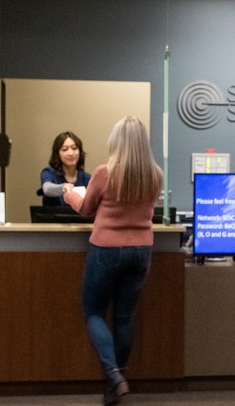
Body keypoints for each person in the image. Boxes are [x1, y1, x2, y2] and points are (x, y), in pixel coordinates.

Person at [63, 117, 163, 405]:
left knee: (93, 311)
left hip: (107, 248)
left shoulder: (105, 172)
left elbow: (85, 209)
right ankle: (114, 384)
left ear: (116, 141)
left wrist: (70, 195)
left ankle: (114, 375)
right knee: (124, 316)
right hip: (142, 251)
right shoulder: (155, 175)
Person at [38, 131, 92, 207]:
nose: (71, 153)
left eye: (74, 148)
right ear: (57, 153)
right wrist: (63, 188)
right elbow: (47, 189)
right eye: (65, 149)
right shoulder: (49, 173)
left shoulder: (86, 178)